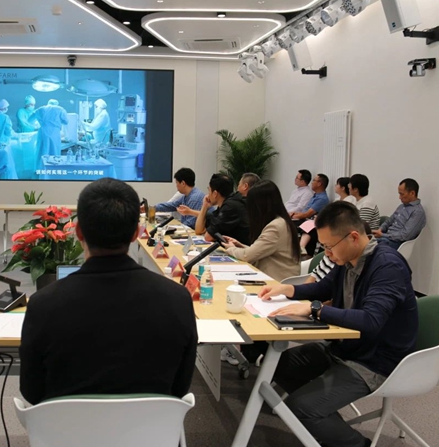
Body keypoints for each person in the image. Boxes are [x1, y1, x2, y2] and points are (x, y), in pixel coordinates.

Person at [20, 178, 197, 405]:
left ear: (78, 232)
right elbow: (180, 387)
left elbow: (32, 391)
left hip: (67, 427)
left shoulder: (43, 304)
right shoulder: (177, 299)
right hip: (150, 426)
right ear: (136, 233)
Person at [259, 201, 417, 447]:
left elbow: (371, 320)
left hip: (374, 361)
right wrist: (287, 289)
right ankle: (326, 419)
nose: (327, 253)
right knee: (277, 367)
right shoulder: (349, 259)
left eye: (329, 246)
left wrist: (316, 310)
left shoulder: (387, 266)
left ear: (353, 237)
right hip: (346, 347)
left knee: (301, 408)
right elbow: (323, 287)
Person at [222, 180, 300, 281]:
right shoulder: (281, 221)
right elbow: (260, 251)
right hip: (274, 277)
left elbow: (247, 256)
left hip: (277, 281)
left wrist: (231, 248)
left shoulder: (275, 227)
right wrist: (239, 245)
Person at [300, 176, 350, 254]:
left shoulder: (349, 201)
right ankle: (301, 248)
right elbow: (329, 213)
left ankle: (302, 247)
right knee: (309, 225)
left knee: (312, 228)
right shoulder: (336, 200)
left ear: (343, 188)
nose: (335, 186)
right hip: (328, 222)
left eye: (337, 184)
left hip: (336, 224)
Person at [372, 178, 426, 250]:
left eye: (402, 194)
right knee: (363, 240)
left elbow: (405, 235)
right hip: (386, 238)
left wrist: (383, 235)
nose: (399, 197)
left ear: (412, 193)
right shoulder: (401, 207)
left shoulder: (417, 212)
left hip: (397, 243)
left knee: (366, 246)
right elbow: (389, 221)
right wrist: (380, 229)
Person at [194, 173, 249, 244]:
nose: (208, 194)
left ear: (215, 194)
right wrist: (204, 206)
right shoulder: (229, 203)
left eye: (209, 190)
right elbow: (199, 231)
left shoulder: (230, 207)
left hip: (240, 249)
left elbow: (208, 237)